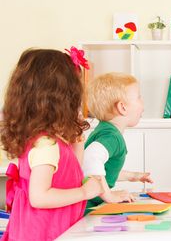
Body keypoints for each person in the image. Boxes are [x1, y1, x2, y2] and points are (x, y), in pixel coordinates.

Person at [0, 48, 104, 241]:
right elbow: (40, 197)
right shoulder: (45, 144)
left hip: (54, 230)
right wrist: (84, 192)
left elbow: (72, 173)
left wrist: (76, 136)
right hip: (42, 233)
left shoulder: (51, 140)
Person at [83, 72, 153, 214]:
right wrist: (108, 195)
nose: (143, 102)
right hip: (85, 209)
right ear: (122, 107)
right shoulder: (112, 137)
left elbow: (102, 170)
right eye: (139, 97)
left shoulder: (105, 130)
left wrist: (131, 176)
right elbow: (90, 159)